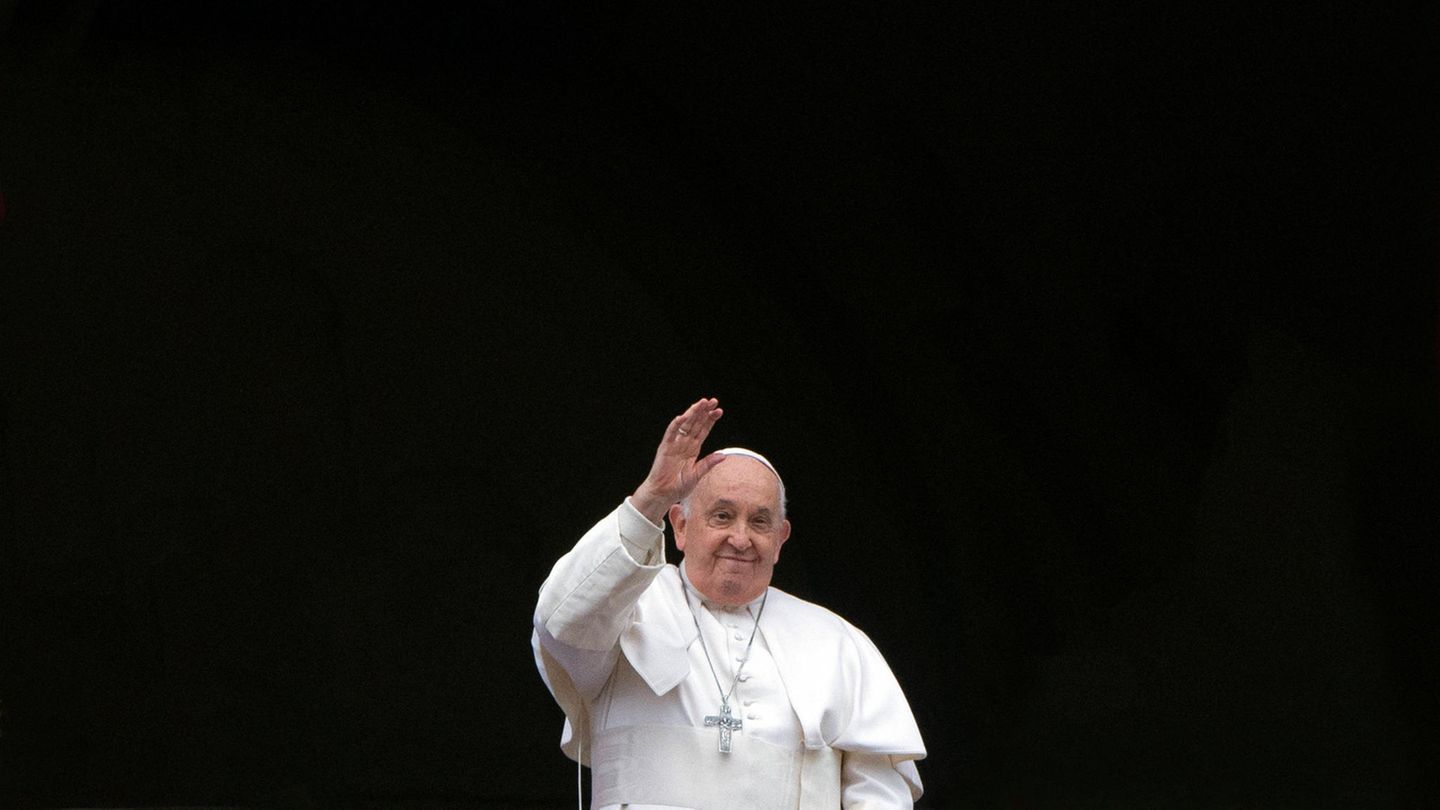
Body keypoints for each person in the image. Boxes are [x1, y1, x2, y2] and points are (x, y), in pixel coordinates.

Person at [532, 398, 926, 808]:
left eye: (759, 521)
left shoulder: (838, 643)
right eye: (722, 516)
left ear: (781, 539)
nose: (740, 538)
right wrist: (649, 499)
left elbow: (879, 793)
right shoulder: (623, 608)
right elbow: (560, 620)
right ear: (681, 526)